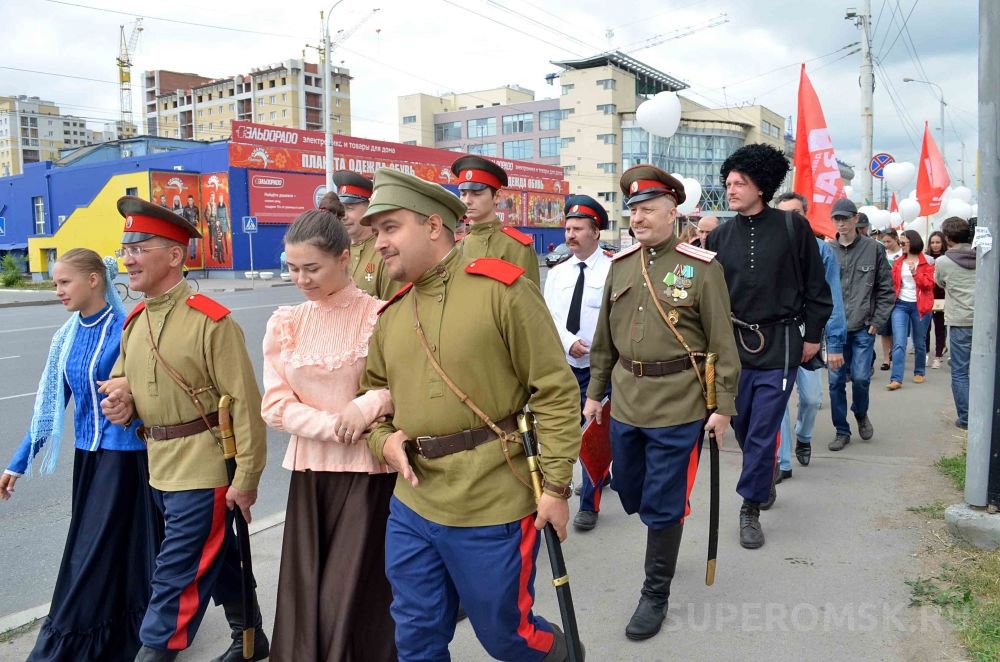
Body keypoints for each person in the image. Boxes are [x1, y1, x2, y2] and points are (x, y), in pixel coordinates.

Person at [358, 168, 581, 661]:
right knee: (415, 636)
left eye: (390, 228)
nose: (379, 243)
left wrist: (557, 486)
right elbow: (371, 398)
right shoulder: (391, 315)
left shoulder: (502, 291)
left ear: (433, 225)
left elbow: (555, 391)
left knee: (507, 637)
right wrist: (384, 440)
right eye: (375, 232)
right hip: (413, 503)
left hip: (492, 498)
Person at [99, 197, 268, 662]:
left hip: (204, 467)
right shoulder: (135, 322)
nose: (128, 259)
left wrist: (247, 478)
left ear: (175, 255)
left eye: (139, 248)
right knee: (217, 554)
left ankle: (153, 652)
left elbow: (246, 404)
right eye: (125, 249)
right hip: (159, 466)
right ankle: (250, 637)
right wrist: (121, 404)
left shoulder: (212, 321)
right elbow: (124, 384)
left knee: (177, 571)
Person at [584, 165, 739, 640]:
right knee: (632, 490)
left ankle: (655, 593)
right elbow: (604, 340)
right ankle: (661, 519)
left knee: (664, 502)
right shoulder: (620, 265)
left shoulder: (702, 268)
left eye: (648, 210)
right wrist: (594, 394)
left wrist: (723, 407)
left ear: (673, 214)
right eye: (634, 211)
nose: (638, 218)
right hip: (627, 400)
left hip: (678, 403)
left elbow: (722, 342)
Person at [1, 249, 159, 662]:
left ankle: (71, 644)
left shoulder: (126, 328)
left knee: (94, 552)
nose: (58, 290)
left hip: (126, 457)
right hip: (88, 459)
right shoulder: (66, 337)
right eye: (55, 283)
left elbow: (152, 389)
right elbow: (50, 406)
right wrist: (18, 462)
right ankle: (132, 631)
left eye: (64, 282)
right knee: (105, 549)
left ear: (93, 280)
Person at [261, 209, 396, 661]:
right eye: (293, 268)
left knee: (355, 595)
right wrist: (337, 425)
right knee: (307, 595)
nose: (301, 279)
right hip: (310, 476)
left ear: (344, 258)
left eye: (312, 268)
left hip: (370, 474)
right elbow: (275, 405)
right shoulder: (286, 322)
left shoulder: (380, 315)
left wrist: (368, 406)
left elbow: (401, 385)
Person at [705, 144, 832, 549]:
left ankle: (750, 507)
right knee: (743, 427)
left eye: (739, 183)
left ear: (761, 186)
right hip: (733, 347)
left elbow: (817, 289)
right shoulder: (718, 237)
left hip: (781, 345)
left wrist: (812, 336)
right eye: (728, 183)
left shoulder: (794, 228)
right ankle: (762, 478)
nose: (731, 190)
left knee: (762, 429)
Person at [542, 195, 613, 531]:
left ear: (595, 232)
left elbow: (615, 317)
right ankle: (584, 481)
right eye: (568, 229)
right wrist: (569, 342)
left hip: (600, 367)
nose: (570, 235)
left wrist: (597, 346)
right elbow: (548, 317)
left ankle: (589, 504)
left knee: (593, 433)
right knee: (566, 431)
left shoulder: (614, 269)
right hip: (566, 364)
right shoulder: (557, 273)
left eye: (578, 229)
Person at [773, 193, 847, 473]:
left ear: (805, 215)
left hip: (810, 336)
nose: (789, 220)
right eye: (783, 214)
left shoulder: (822, 251)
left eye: (795, 214)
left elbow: (833, 299)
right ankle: (782, 462)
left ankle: (803, 435)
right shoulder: (769, 248)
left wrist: (834, 343)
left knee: (812, 399)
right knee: (777, 401)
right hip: (776, 338)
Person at [826, 198, 895, 451]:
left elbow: (886, 288)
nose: (841, 223)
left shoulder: (873, 248)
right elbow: (817, 289)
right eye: (837, 219)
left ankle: (860, 412)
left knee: (860, 378)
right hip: (835, 329)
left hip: (864, 327)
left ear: (856, 218)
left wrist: (878, 320)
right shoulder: (827, 250)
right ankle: (841, 430)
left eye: (845, 218)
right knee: (835, 383)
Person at [452, 155, 541, 286]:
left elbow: (529, 297)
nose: (467, 201)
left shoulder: (516, 247)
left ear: (497, 196)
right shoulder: (457, 247)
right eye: (463, 193)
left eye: (476, 193)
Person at [329, 170, 400, 299]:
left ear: (370, 208)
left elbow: (394, 307)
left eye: (349, 208)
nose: (343, 216)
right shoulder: (336, 251)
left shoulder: (385, 252)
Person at [934, 217, 975, 429]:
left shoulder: (943, 261)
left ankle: (966, 418)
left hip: (960, 320)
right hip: (984, 321)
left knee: (960, 371)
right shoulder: (984, 256)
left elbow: (940, 282)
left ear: (947, 238)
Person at [887, 229, 935, 390]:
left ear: (912, 243)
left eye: (903, 243)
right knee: (899, 342)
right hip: (900, 304)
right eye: (900, 243)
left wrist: (915, 273)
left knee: (919, 342)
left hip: (920, 306)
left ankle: (919, 371)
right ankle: (896, 378)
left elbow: (929, 285)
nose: (901, 246)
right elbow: (893, 283)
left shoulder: (926, 262)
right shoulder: (898, 262)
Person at [877, 229, 903, 370]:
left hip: (900, 295)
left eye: (889, 241)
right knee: (884, 329)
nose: (886, 244)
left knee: (897, 328)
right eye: (884, 242)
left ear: (896, 239)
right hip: (884, 295)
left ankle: (895, 352)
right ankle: (886, 359)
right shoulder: (882, 253)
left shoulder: (903, 254)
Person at [925, 230, 948, 369]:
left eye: (938, 242)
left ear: (943, 243)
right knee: (925, 328)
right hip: (927, 296)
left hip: (942, 296)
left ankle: (938, 356)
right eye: (932, 242)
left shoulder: (947, 258)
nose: (935, 245)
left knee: (940, 328)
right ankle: (926, 354)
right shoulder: (925, 258)